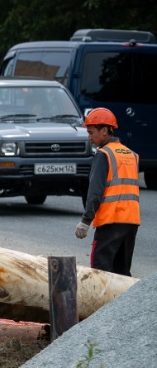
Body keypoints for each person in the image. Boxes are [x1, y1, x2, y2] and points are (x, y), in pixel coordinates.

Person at [76, 107, 141, 276]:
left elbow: (95, 191)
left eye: (91, 132)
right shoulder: (132, 155)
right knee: (122, 272)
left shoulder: (103, 155)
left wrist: (85, 220)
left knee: (101, 273)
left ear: (104, 130)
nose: (89, 137)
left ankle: (103, 304)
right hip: (131, 221)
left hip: (110, 221)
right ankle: (126, 303)